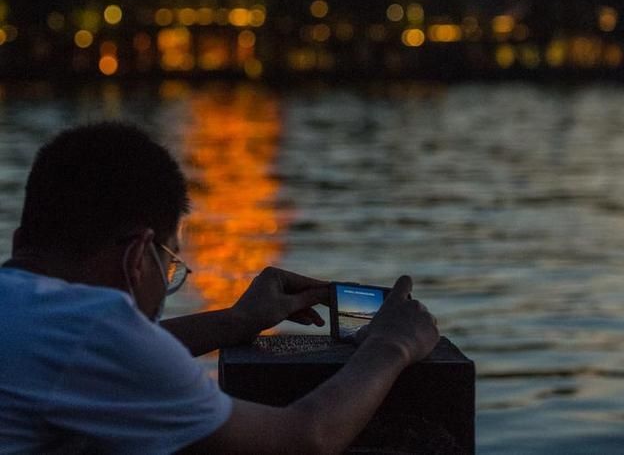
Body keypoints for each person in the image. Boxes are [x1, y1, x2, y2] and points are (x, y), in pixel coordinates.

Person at [0, 121, 440, 454]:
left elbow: (99, 356)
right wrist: (391, 346)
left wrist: (237, 321)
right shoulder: (94, 330)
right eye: (170, 264)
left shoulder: (25, 313)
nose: (169, 279)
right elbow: (307, 437)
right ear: (138, 257)